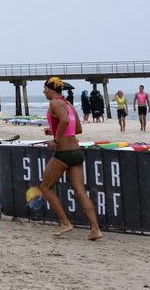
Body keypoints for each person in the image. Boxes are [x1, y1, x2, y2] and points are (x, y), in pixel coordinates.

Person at [33, 77, 102, 241]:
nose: (43, 92)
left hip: (63, 153)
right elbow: (77, 128)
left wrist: (56, 140)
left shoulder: (55, 103)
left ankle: (65, 223)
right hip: (76, 152)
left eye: (44, 89)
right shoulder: (68, 104)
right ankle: (95, 229)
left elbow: (64, 120)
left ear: (50, 89)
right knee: (80, 192)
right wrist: (53, 131)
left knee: (45, 187)